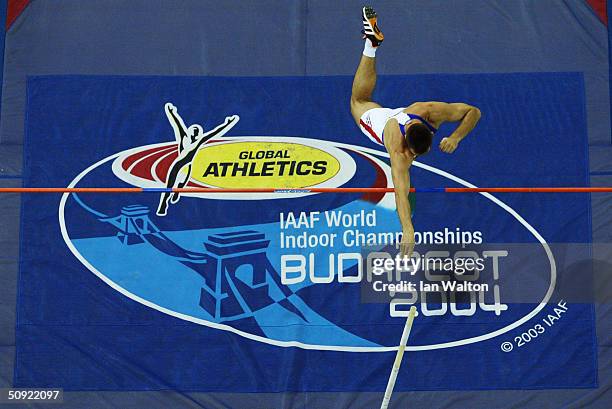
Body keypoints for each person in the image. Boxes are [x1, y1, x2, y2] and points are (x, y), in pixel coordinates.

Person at [350, 5, 482, 256]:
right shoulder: (399, 151)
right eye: (414, 155)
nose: (414, 158)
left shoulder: (430, 110)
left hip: (401, 115)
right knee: (358, 101)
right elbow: (400, 193)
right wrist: (408, 230)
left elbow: (473, 112)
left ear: (429, 133)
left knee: (364, 97)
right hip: (379, 123)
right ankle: (371, 46)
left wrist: (456, 136)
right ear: (408, 147)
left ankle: (371, 45)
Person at [156, 103, 239, 216]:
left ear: (199, 134)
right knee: (169, 185)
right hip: (178, 165)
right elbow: (177, 123)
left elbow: (214, 132)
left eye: (197, 132)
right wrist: (172, 112)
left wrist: (227, 124)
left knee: (180, 185)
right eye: (194, 131)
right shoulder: (183, 137)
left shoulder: (199, 141)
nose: (195, 133)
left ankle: (177, 191)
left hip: (187, 166)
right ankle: (163, 204)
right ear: (189, 132)